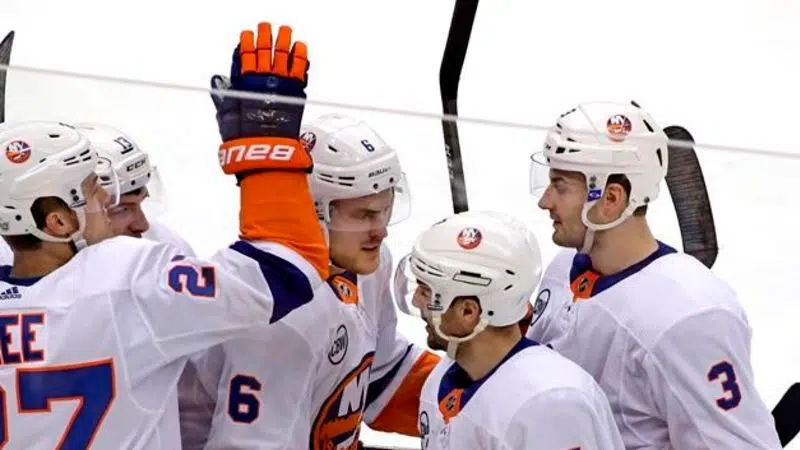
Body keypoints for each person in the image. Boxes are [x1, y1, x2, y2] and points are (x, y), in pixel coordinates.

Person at [0, 20, 333, 449]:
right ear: (58, 223)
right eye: (92, 189)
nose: (104, 195)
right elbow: (287, 267)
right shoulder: (127, 281)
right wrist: (265, 151)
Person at [180, 110, 441, 449]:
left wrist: (484, 389)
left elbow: (381, 379)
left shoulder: (367, 263)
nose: (381, 231)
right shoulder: (279, 320)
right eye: (363, 215)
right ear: (312, 211)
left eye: (385, 210)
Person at [527, 100, 781, 448]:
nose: (545, 201)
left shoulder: (691, 316)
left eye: (560, 186)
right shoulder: (565, 266)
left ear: (611, 199)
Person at [393, 210, 624, 449]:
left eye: (426, 291)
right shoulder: (442, 378)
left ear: (468, 312)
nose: (416, 301)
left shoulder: (551, 405)